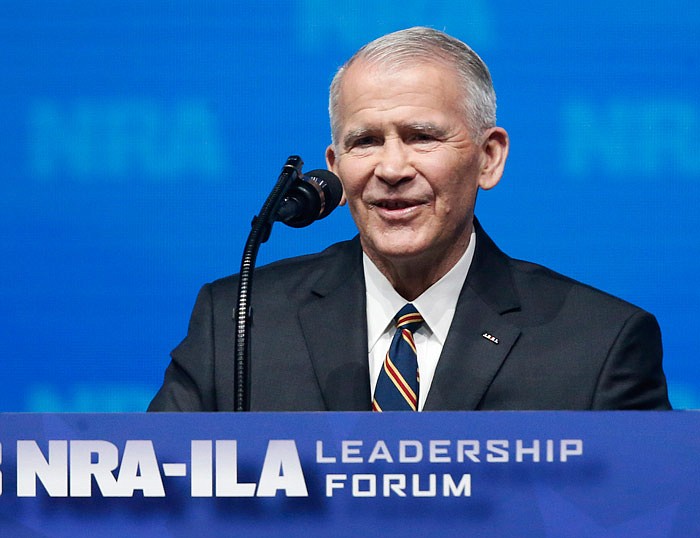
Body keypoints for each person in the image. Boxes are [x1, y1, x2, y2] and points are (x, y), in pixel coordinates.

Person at [148, 27, 671, 412]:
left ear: (489, 157)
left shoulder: (600, 344)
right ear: (334, 169)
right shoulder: (237, 321)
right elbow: (154, 503)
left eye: (422, 137)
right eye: (365, 142)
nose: (392, 169)